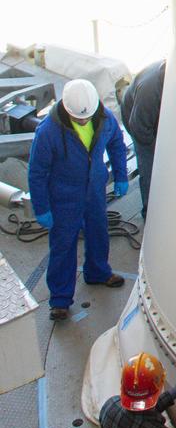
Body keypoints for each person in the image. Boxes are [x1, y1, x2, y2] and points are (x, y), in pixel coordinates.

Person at [28, 78, 128, 321]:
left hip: (94, 191)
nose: (83, 121)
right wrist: (41, 207)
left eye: (86, 118)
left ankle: (97, 272)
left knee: (98, 232)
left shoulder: (104, 119)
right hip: (64, 197)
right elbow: (37, 172)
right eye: (78, 118)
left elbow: (117, 144)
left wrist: (121, 175)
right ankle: (60, 299)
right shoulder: (48, 131)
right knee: (63, 244)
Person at [120, 59, 166, 219]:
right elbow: (140, 129)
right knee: (150, 167)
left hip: (157, 116)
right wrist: (158, 154)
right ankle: (150, 215)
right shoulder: (150, 89)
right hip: (138, 122)